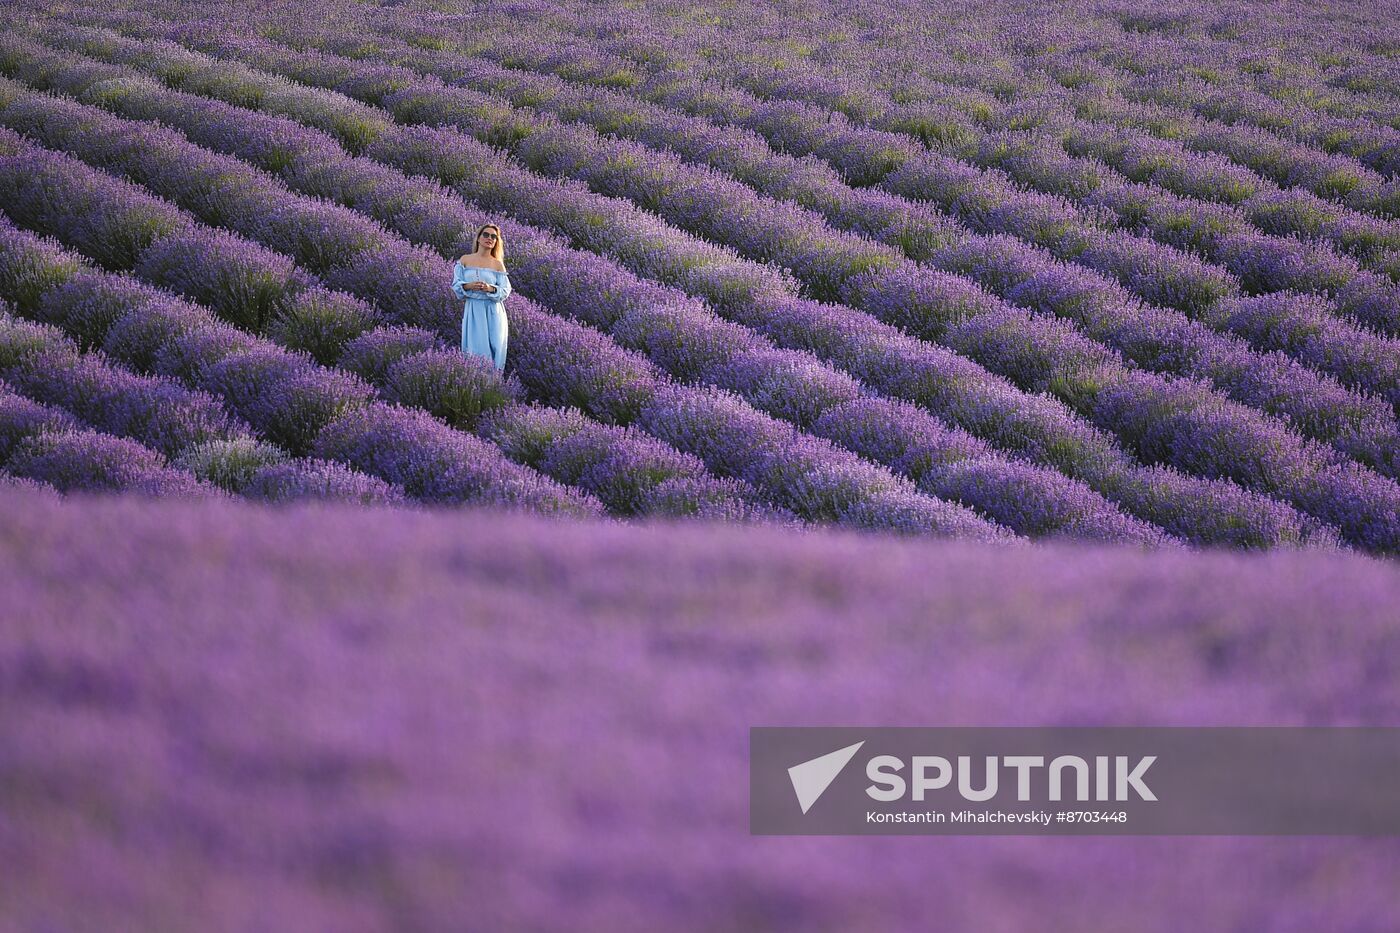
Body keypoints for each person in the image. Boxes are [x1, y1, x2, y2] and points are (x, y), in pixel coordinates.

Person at [452, 224, 512, 371]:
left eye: (494, 237)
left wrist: (490, 288)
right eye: (486, 235)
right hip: (474, 309)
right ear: (478, 238)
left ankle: (493, 387)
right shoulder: (465, 260)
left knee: (495, 348)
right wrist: (468, 286)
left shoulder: (498, 264)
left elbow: (506, 290)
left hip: (493, 310)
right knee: (475, 350)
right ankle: (476, 385)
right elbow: (456, 285)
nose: (489, 239)